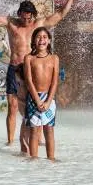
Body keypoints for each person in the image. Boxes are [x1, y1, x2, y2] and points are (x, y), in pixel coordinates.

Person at [0, 0, 78, 154]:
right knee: (12, 105)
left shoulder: (39, 24)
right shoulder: (12, 23)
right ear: (19, 14)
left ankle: (36, 137)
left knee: (33, 102)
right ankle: (10, 141)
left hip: (32, 68)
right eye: (24, 17)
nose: (26, 21)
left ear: (34, 16)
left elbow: (60, 15)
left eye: (29, 18)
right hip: (15, 68)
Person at [23, 27, 59, 161]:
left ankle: (51, 158)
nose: (41, 40)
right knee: (34, 130)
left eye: (44, 37)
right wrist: (37, 101)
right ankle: (34, 159)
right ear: (33, 40)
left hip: (49, 98)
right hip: (34, 98)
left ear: (49, 40)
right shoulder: (29, 58)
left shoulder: (54, 58)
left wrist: (48, 101)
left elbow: (55, 82)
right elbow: (29, 81)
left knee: (49, 130)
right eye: (38, 37)